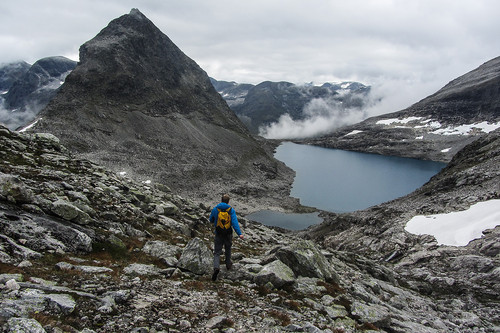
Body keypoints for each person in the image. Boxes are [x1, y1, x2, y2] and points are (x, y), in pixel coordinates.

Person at [209, 194, 244, 281]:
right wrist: (239, 234)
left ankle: (216, 267)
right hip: (228, 233)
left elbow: (211, 219)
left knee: (217, 252)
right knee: (228, 248)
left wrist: (215, 220)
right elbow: (235, 222)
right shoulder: (230, 210)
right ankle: (228, 264)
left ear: (221, 200)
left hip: (219, 233)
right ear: (228, 201)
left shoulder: (215, 209)